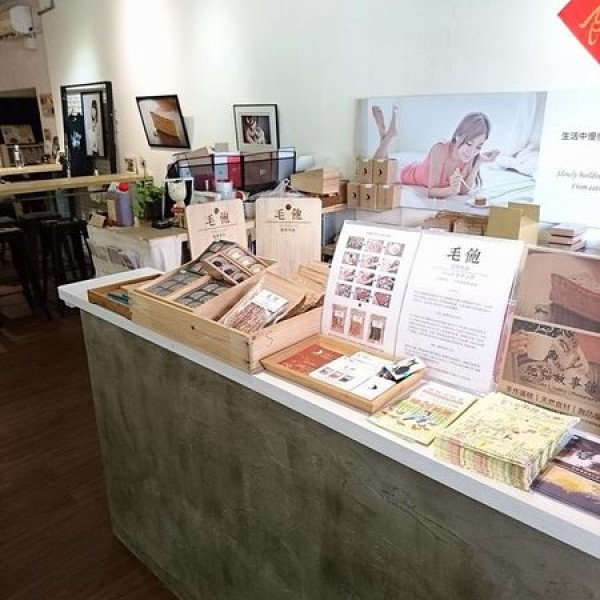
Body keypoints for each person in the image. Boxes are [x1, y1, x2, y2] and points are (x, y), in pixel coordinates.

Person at [372, 108, 500, 198]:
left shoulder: (470, 155)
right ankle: (388, 137)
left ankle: (384, 133)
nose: (472, 151)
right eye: (469, 143)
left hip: (418, 168)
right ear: (458, 135)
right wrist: (450, 190)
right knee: (374, 172)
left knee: (383, 164)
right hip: (406, 174)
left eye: (479, 146)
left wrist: (479, 162)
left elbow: (463, 190)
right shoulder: (440, 149)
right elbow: (432, 191)